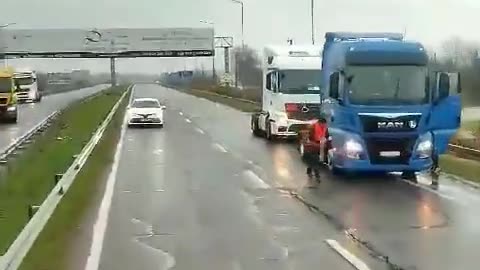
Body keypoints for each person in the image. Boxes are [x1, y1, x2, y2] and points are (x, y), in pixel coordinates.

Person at [305, 115, 329, 181]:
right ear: (319, 123)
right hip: (313, 145)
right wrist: (314, 143)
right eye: (323, 124)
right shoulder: (312, 127)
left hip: (321, 145)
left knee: (314, 160)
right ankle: (317, 175)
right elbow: (309, 137)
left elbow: (327, 135)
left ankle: (309, 170)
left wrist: (325, 140)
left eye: (324, 124)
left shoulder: (325, 128)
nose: (324, 125)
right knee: (316, 160)